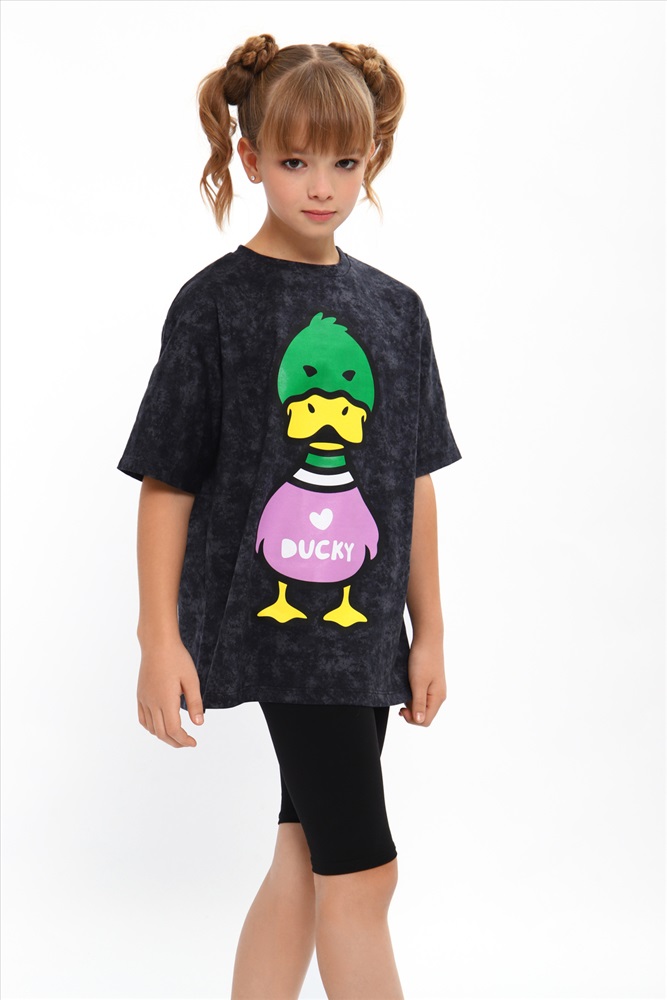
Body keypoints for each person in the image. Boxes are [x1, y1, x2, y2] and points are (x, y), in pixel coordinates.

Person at [117, 33, 462, 1000]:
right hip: (280, 632)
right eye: (296, 160)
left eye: (344, 162)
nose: (321, 186)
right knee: (364, 872)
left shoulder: (396, 310)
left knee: (308, 858)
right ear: (250, 156)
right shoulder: (214, 307)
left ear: (372, 158)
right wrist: (157, 638)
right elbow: (166, 480)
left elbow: (412, 479)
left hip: (363, 633)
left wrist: (429, 631)